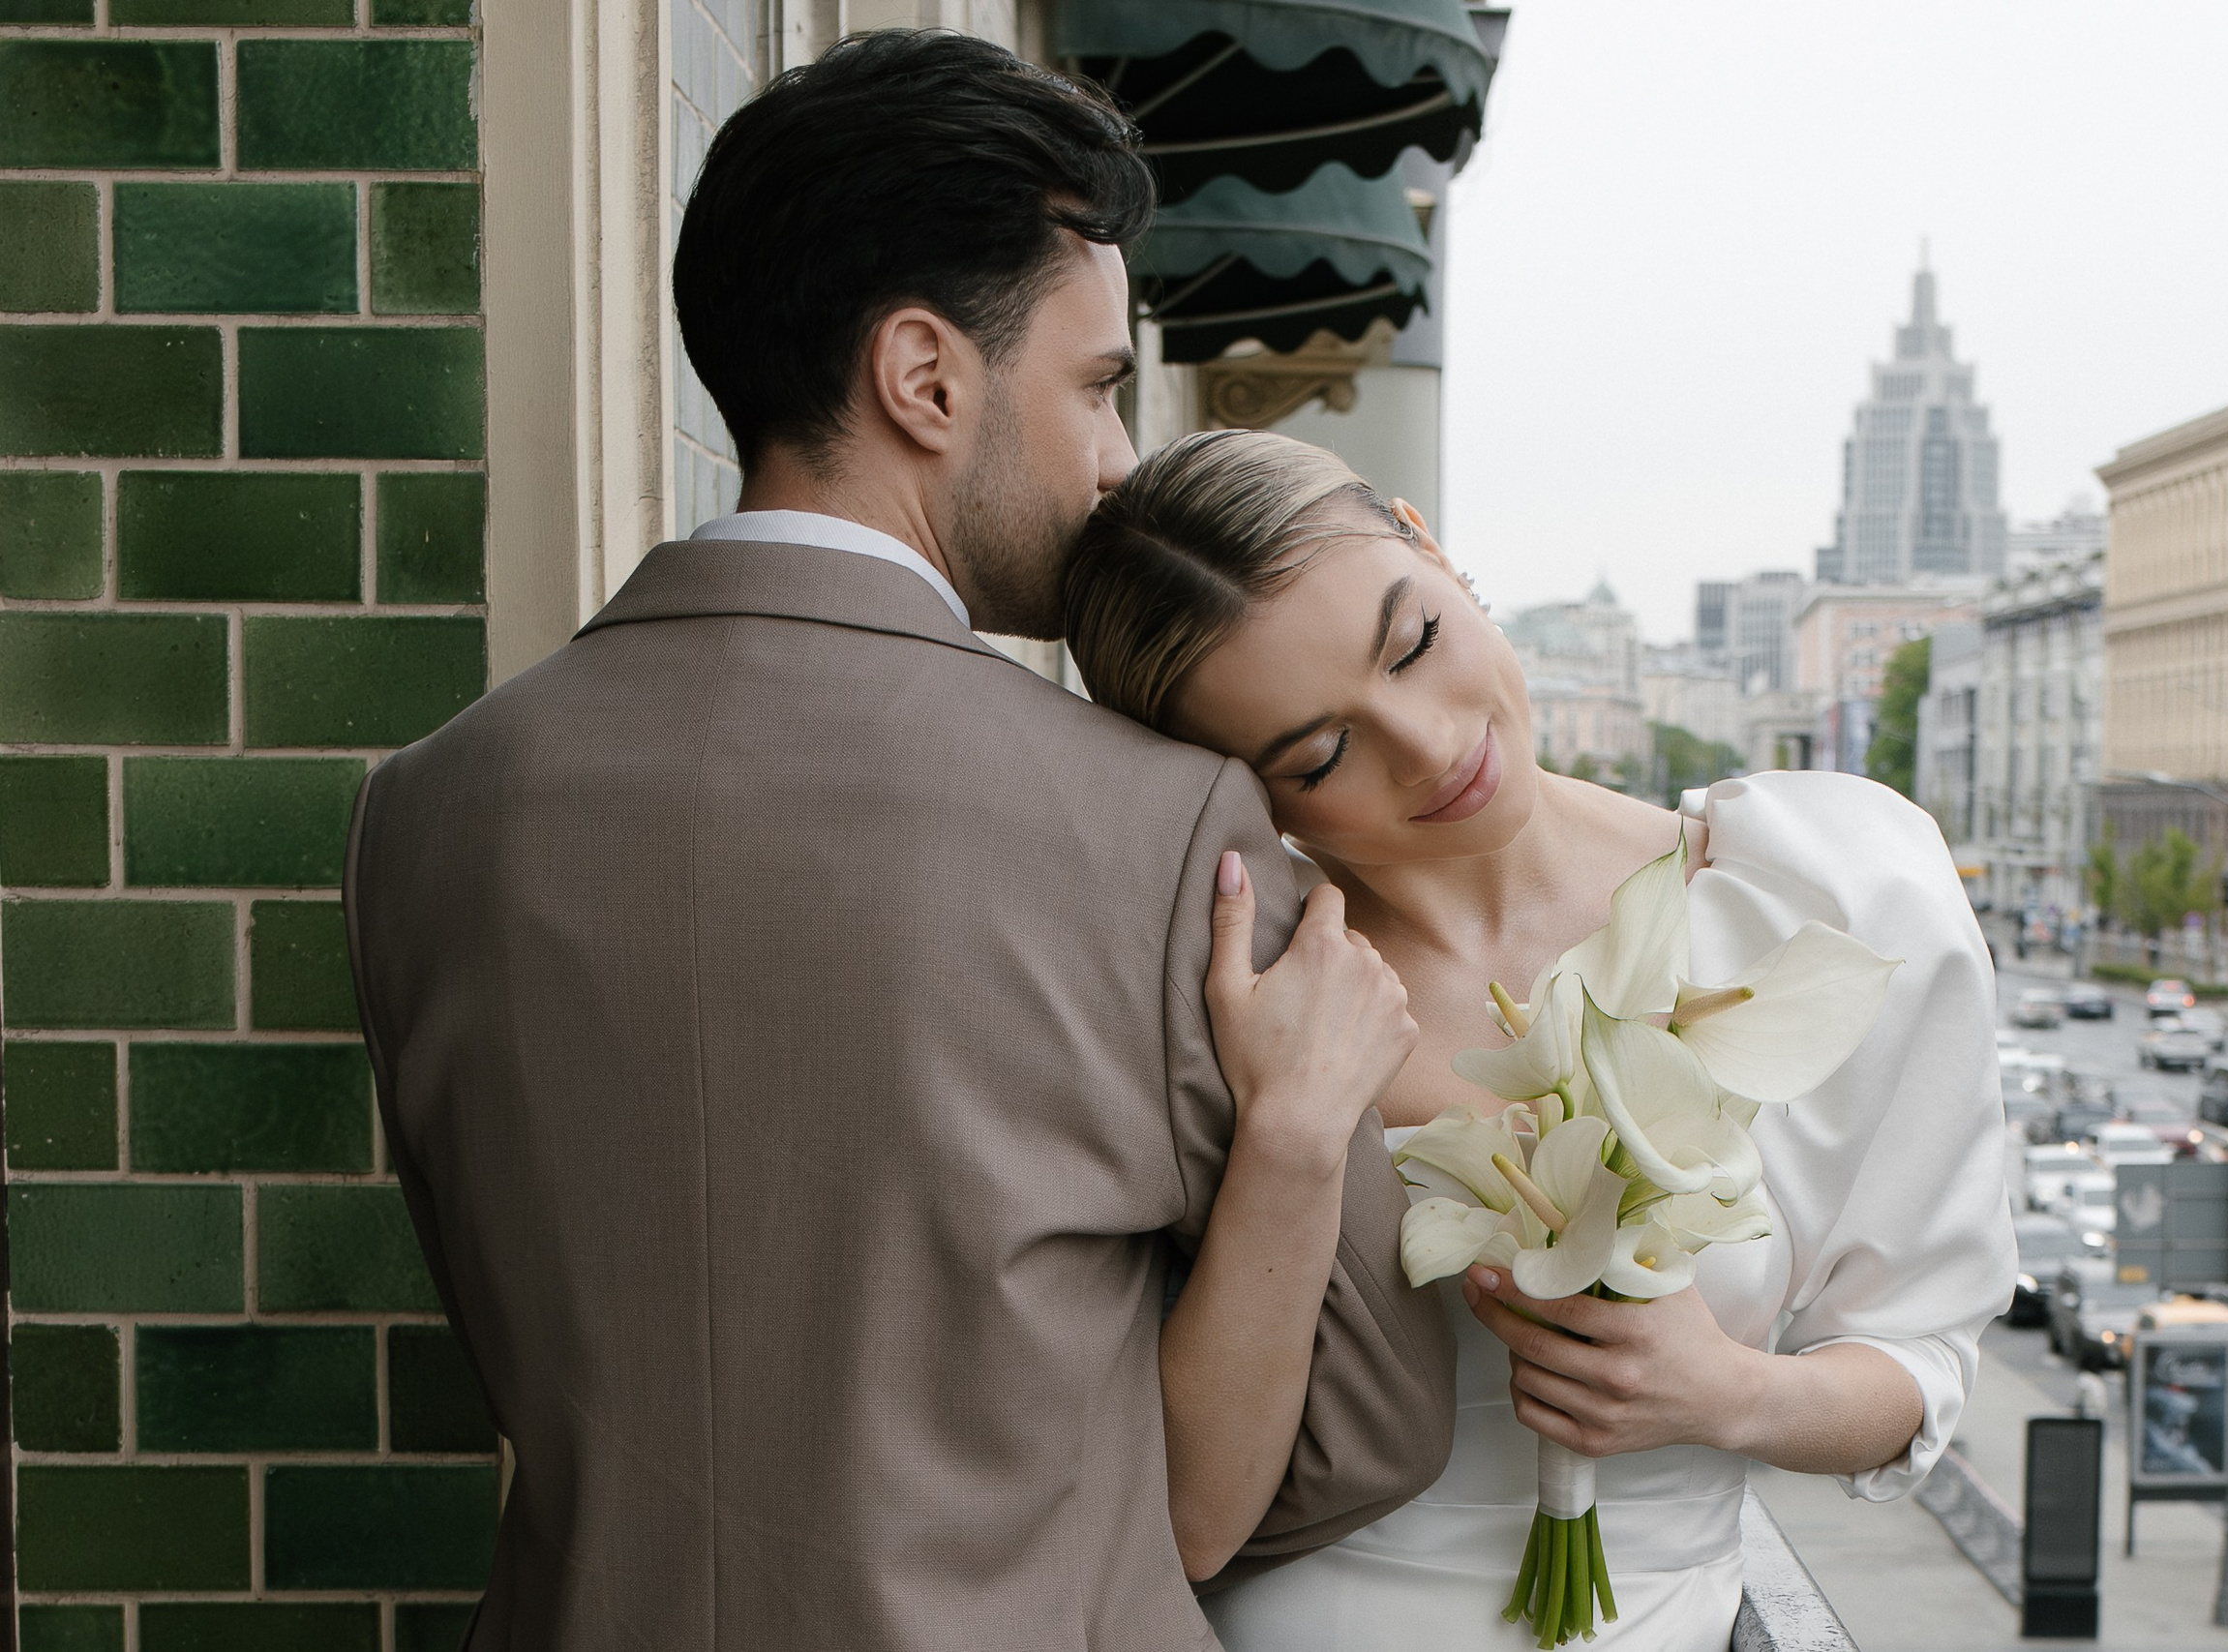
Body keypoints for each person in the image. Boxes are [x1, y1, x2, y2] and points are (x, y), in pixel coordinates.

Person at [341, 36, 1453, 1652]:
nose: (1117, 461)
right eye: (1096, 387)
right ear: (924, 376)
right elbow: (1366, 1423)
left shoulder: (424, 814)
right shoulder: (1161, 824)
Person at [1062, 430, 2017, 1649]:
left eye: (1414, 642)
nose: (1429, 744)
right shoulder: (1238, 992)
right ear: (1233, 784)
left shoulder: (1829, 894)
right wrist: (1291, 1137)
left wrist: (1727, 1395)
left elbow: (1918, 1362)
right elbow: (1195, 1522)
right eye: (1323, 753)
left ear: (1428, 545)